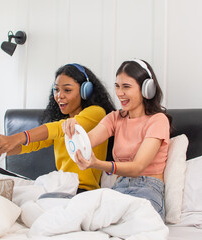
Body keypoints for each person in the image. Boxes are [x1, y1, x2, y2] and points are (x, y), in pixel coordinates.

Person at [0, 63, 115, 193]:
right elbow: (33, 144)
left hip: (80, 190)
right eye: (56, 90)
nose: (59, 96)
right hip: (59, 187)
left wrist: (15, 137)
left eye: (67, 90)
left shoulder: (97, 113)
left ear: (86, 91)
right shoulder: (64, 121)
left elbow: (58, 128)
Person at [62, 59, 171, 220]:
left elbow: (137, 167)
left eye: (126, 87)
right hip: (119, 188)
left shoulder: (158, 120)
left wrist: (97, 164)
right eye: (117, 86)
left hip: (147, 189)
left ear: (147, 88)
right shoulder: (115, 118)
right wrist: (74, 127)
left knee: (135, 223)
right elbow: (87, 141)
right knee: (85, 218)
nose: (119, 93)